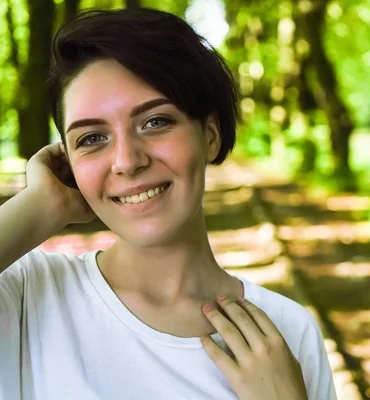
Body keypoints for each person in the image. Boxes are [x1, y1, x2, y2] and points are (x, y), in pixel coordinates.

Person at [0, 8, 337, 400]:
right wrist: (42, 203)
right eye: (91, 138)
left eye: (155, 122)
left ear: (210, 135)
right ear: (67, 163)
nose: (127, 161)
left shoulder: (287, 330)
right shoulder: (25, 294)